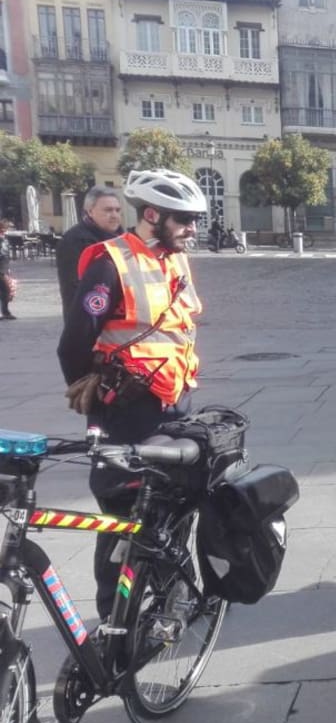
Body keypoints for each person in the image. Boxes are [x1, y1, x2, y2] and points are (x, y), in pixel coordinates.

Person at [57, 169, 207, 621]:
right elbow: (73, 341)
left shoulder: (175, 257)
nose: (192, 229)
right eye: (183, 220)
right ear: (152, 214)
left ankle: (170, 595)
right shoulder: (110, 261)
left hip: (173, 402)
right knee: (120, 509)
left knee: (175, 503)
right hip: (124, 409)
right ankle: (112, 616)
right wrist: (89, 388)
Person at [56, 185, 125, 322]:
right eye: (108, 210)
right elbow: (77, 286)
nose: (114, 215)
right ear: (90, 212)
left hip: (117, 321)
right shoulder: (76, 240)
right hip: (88, 319)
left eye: (117, 210)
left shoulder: (121, 237)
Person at [0, 220, 15, 320]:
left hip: (4, 268)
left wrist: (8, 269)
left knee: (5, 291)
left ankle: (5, 312)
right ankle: (5, 312)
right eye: (4, 229)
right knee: (5, 290)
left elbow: (6, 255)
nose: (5, 231)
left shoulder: (4, 239)